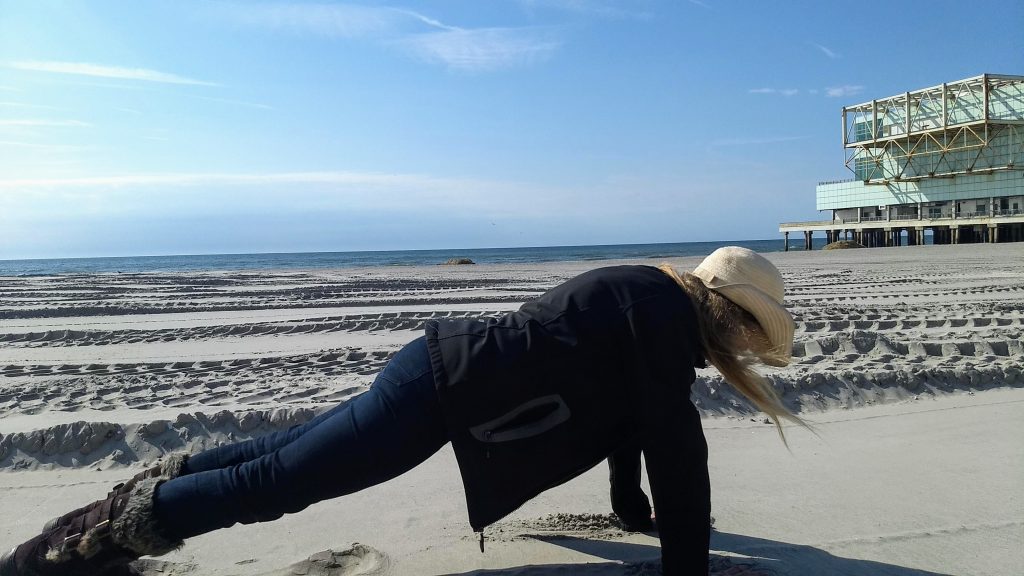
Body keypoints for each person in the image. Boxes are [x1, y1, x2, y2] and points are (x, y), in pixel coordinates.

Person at [1, 246, 802, 576]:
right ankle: (84, 548)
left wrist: (631, 512)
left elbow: (638, 426)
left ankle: (125, 505)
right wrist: (688, 566)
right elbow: (675, 447)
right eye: (748, 331)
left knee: (282, 454)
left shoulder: (650, 304)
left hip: (431, 372)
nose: (742, 347)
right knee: (282, 480)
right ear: (730, 313)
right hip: (436, 395)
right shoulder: (661, 323)